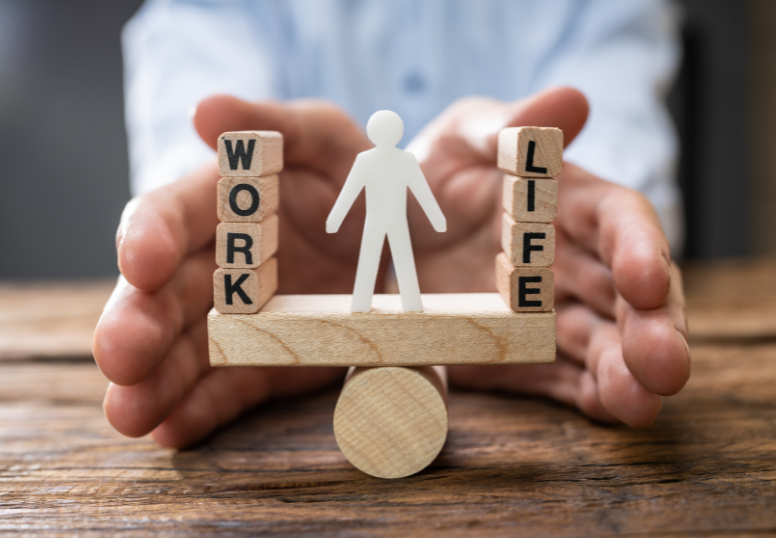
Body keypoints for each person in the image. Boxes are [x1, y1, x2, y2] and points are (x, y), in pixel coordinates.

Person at [93, 0, 691, 448]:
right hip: (355, 229)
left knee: (395, 263)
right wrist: (215, 194)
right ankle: (373, 298)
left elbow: (617, 61)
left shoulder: (398, 161)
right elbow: (199, 28)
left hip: (409, 226)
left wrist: (591, 203)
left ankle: (388, 297)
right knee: (379, 265)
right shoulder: (385, 161)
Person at [327, 110, 446, 312]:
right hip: (384, 219)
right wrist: (437, 219)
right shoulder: (394, 159)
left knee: (381, 259)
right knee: (394, 259)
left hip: (385, 219)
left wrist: (335, 220)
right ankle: (405, 304)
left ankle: (372, 304)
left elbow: (421, 190)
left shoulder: (382, 160)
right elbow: (350, 190)